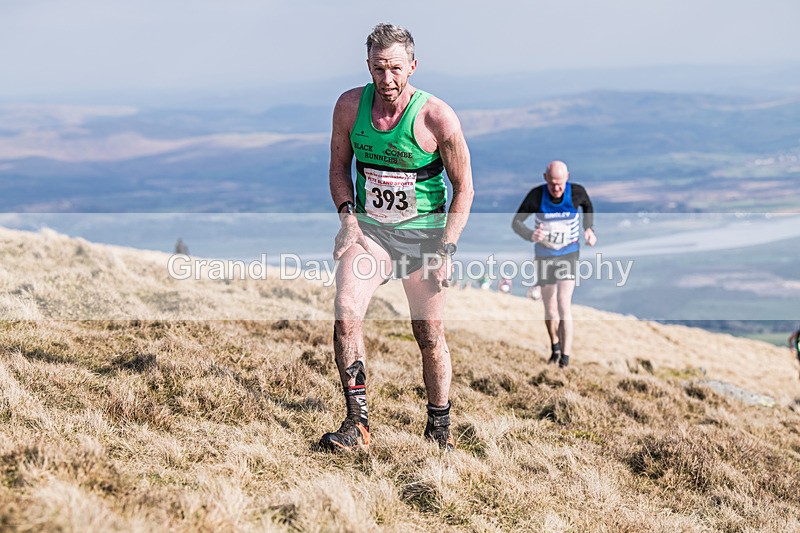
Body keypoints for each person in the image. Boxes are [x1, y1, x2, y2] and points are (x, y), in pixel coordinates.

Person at [321, 23, 473, 452]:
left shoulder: (437, 117)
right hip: (370, 233)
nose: (386, 80)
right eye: (377, 68)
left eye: (395, 69)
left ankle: (438, 430)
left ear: (412, 66)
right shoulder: (349, 107)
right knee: (346, 311)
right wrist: (347, 218)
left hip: (425, 240)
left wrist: (447, 248)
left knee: (428, 334)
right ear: (367, 65)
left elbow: (465, 189)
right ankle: (358, 427)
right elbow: (338, 170)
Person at [512, 160, 596, 368]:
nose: (556, 189)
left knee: (563, 303)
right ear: (545, 178)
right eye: (552, 184)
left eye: (560, 184)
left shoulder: (576, 192)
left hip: (568, 253)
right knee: (550, 308)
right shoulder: (536, 196)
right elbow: (516, 222)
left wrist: (589, 229)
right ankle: (555, 346)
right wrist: (531, 234)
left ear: (567, 177)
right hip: (544, 255)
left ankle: (565, 360)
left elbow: (588, 206)